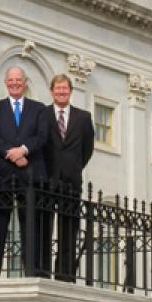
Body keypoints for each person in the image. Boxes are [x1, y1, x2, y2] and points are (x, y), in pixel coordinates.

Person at [0, 66, 48, 277]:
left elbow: (42, 136)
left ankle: (32, 270)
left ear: (25, 82)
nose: (15, 83)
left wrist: (24, 150)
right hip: (1, 171)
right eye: (11, 80)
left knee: (31, 222)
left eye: (18, 80)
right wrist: (11, 153)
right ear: (5, 83)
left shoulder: (39, 108)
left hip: (29, 170)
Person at [43, 73, 94, 282]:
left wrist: (73, 167)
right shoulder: (43, 114)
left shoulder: (83, 117)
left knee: (69, 230)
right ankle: (43, 271)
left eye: (64, 88)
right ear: (52, 91)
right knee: (44, 228)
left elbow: (87, 149)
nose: (61, 92)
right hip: (47, 178)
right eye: (57, 88)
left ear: (70, 91)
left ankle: (65, 273)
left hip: (71, 181)